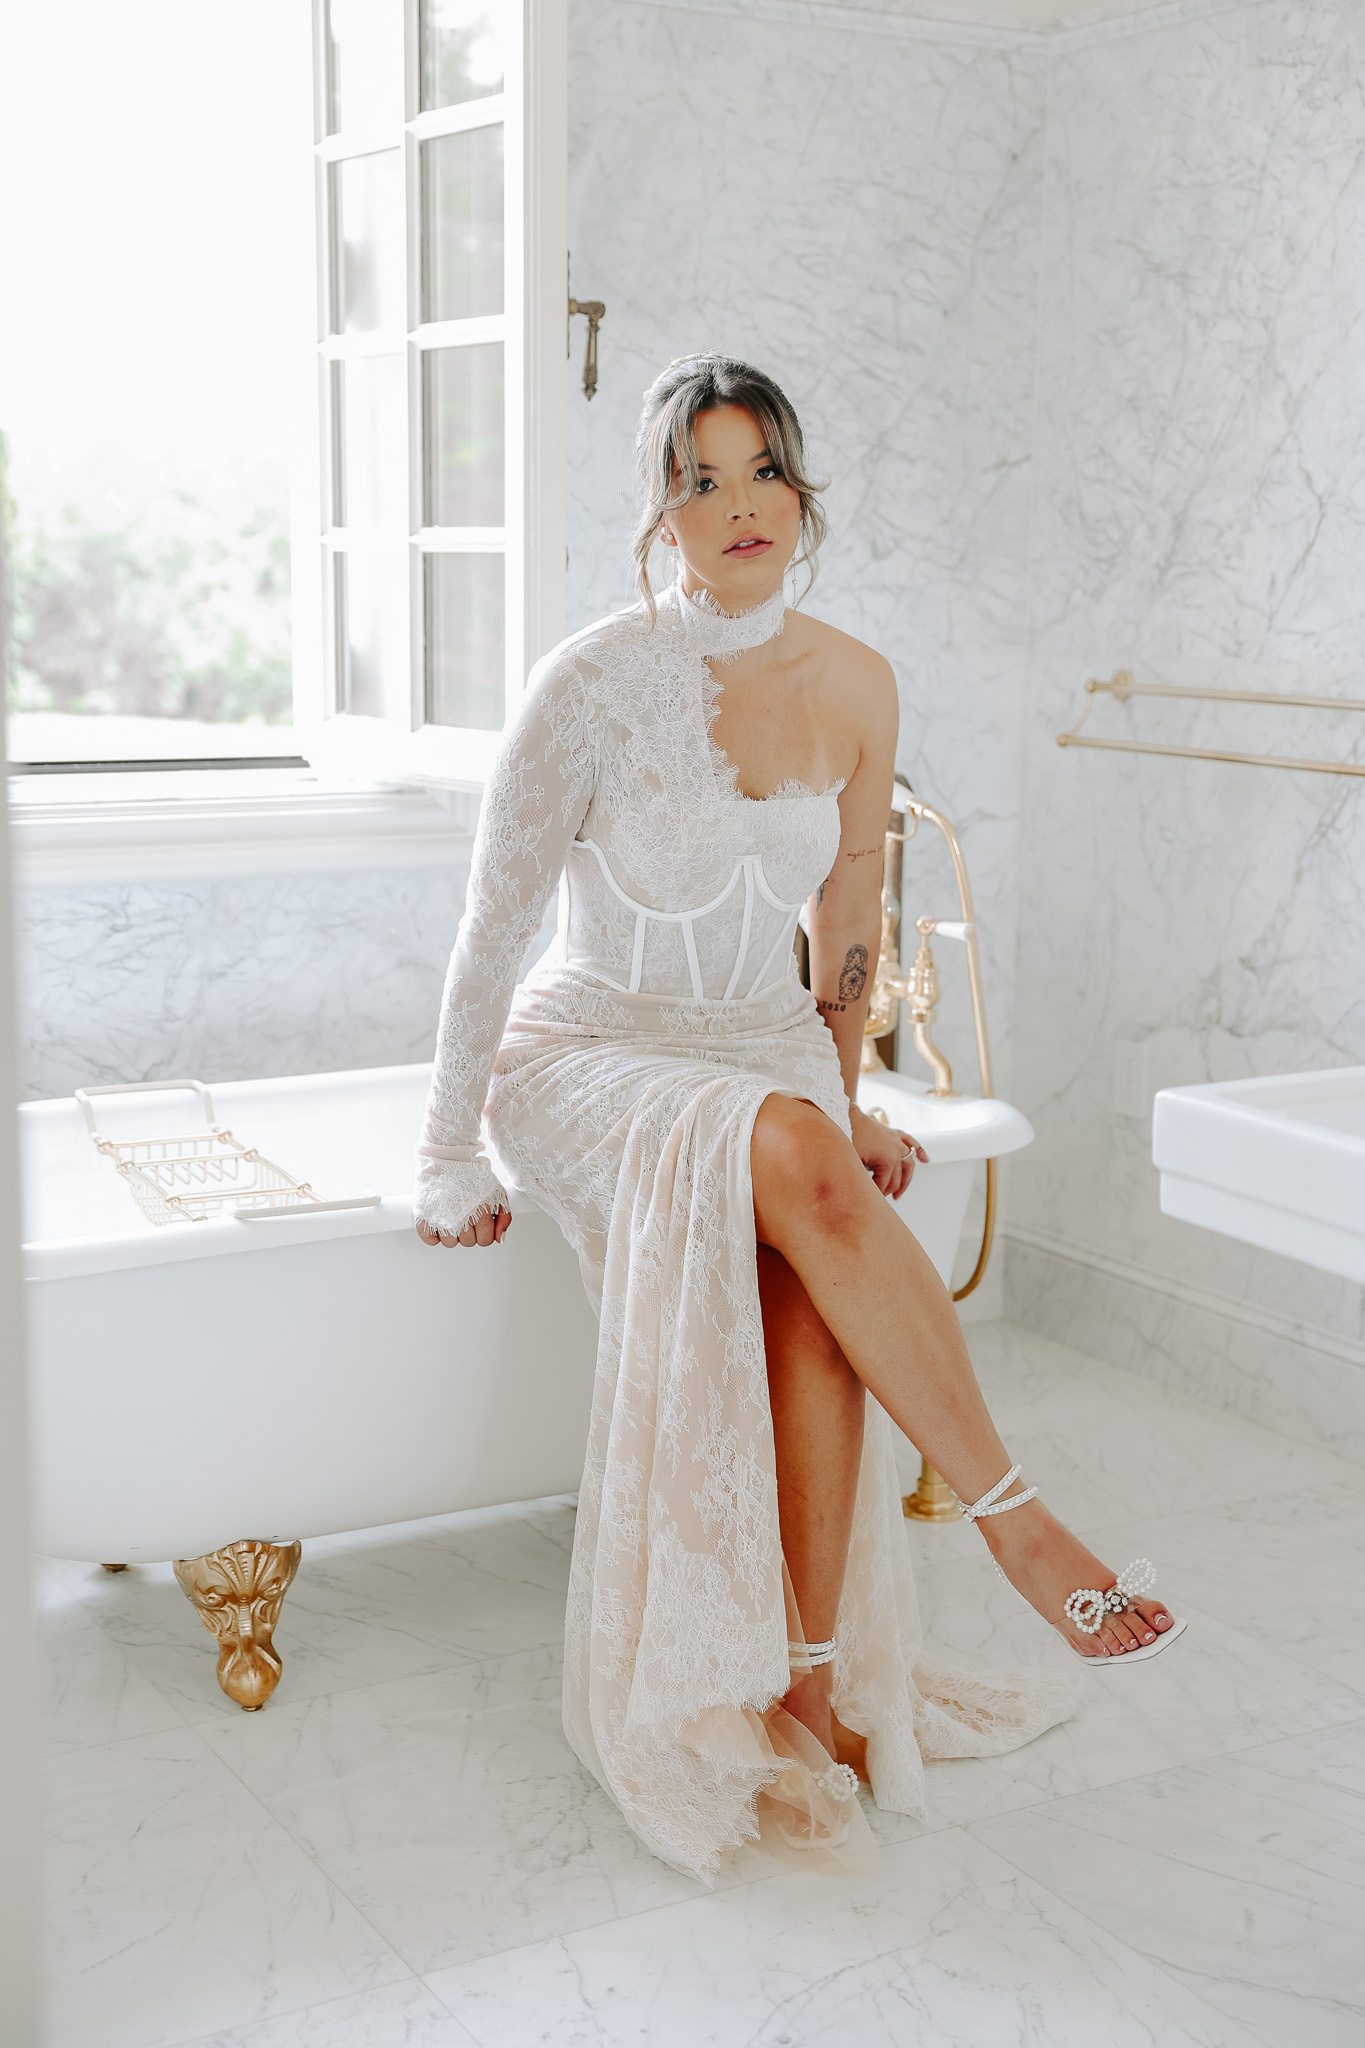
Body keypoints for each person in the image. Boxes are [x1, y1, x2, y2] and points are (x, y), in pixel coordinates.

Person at [414, 354, 1182, 1880]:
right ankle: (1018, 1525)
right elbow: (493, 928)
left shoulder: (854, 681)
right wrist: (448, 1148)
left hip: (758, 1049)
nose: (737, 504)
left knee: (806, 1270)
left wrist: (845, 1096)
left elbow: (846, 907)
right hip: (595, 1052)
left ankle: (814, 1686)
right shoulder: (589, 683)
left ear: (798, 489)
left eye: (759, 468)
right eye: (698, 479)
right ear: (661, 513)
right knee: (782, 1153)